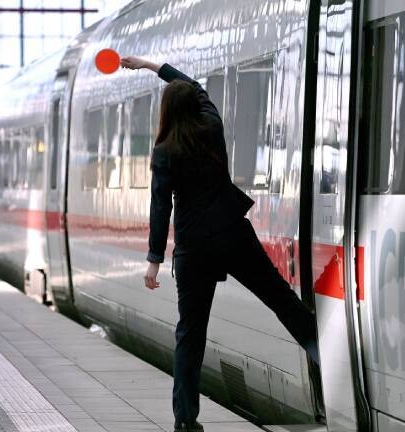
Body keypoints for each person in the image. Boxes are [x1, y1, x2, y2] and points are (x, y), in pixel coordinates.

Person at [120, 56, 319, 432]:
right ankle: (330, 363)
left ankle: (185, 420)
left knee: (190, 334)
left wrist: (154, 260)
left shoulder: (164, 152)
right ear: (194, 106)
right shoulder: (212, 127)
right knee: (282, 301)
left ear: (166, 113)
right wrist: (149, 66)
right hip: (232, 235)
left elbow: (161, 207)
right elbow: (196, 87)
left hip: (194, 248)